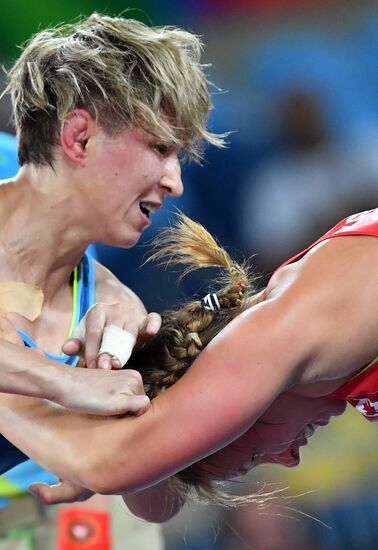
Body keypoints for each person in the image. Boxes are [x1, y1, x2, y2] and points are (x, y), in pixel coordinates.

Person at [2, 206, 376, 523]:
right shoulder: (303, 327)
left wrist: (15, 386)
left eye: (255, 454)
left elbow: (110, 467)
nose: (289, 459)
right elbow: (157, 505)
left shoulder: (286, 329)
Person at [0, 12, 222, 545]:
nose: (175, 183)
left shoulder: (111, 315)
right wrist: (65, 384)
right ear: (79, 137)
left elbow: (155, 507)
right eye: (162, 149)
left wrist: (140, 406)